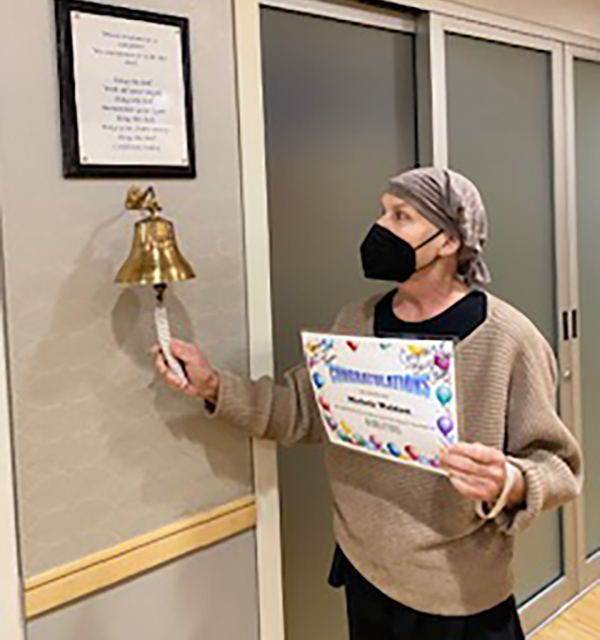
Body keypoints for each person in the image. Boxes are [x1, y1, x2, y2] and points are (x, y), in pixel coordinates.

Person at [153, 167, 582, 640]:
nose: (380, 227)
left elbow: (558, 467)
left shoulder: (509, 339)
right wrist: (213, 385)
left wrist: (511, 480)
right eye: (382, 212)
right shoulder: (355, 321)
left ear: (448, 240)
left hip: (459, 596)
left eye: (401, 216)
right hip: (365, 573)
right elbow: (300, 411)